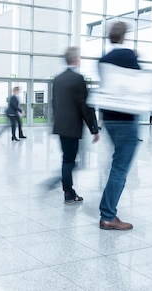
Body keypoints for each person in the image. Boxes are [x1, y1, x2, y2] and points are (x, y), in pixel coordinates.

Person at [97, 21, 141, 231]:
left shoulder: (103, 60)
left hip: (110, 120)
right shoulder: (128, 56)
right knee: (120, 168)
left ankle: (106, 210)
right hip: (125, 119)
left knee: (117, 165)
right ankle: (108, 216)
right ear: (124, 36)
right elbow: (137, 82)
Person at [52, 47, 100, 204]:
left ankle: (69, 192)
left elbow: (54, 104)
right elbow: (85, 106)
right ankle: (69, 194)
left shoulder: (58, 79)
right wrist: (94, 128)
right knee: (69, 161)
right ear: (75, 59)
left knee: (67, 160)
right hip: (72, 127)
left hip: (60, 126)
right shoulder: (78, 79)